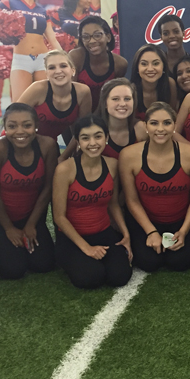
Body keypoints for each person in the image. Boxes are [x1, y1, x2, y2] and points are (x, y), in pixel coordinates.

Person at [120, 102, 190, 272]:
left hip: (181, 220)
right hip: (146, 220)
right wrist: (150, 231)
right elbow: (131, 200)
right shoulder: (128, 155)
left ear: (175, 125)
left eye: (167, 123)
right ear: (145, 126)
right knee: (148, 262)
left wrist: (184, 231)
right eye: (154, 123)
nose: (161, 129)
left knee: (180, 261)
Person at [52, 115, 132, 289]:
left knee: (120, 276)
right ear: (78, 141)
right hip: (72, 238)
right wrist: (86, 248)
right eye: (85, 138)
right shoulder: (65, 169)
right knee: (90, 277)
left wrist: (126, 235)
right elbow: (59, 217)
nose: (93, 143)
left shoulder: (112, 165)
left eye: (98, 136)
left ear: (106, 138)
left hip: (103, 232)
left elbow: (113, 204)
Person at [0, 103, 57, 279]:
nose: (20, 131)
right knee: (14, 269)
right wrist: (8, 228)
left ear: (36, 126)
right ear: (5, 127)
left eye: (27, 125)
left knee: (43, 264)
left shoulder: (47, 145)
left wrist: (31, 224)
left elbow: (47, 187)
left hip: (29, 217)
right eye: (12, 126)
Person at [0, 0, 63, 101]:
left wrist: (65, 59)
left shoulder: (42, 10)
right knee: (20, 102)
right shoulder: (7, 4)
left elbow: (53, 40)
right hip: (20, 60)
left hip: (43, 60)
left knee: (45, 101)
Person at [16, 50, 92, 148]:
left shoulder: (83, 92)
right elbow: (13, 116)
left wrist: (65, 156)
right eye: (52, 67)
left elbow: (82, 129)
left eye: (63, 66)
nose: (58, 71)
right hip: (21, 140)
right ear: (46, 74)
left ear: (73, 70)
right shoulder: (38, 89)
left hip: (49, 146)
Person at [69, 15, 128, 110]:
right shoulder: (76, 57)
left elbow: (117, 97)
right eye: (86, 37)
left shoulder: (120, 64)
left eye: (97, 35)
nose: (92, 41)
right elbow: (70, 95)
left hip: (105, 115)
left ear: (108, 37)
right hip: (79, 114)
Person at [96, 78, 148, 159]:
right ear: (105, 103)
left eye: (127, 99)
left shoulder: (141, 129)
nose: (122, 104)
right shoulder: (93, 131)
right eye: (115, 99)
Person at [130, 44, 177, 119]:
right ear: (137, 68)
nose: (150, 69)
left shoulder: (170, 84)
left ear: (164, 66)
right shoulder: (130, 90)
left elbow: (172, 117)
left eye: (156, 63)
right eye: (144, 64)